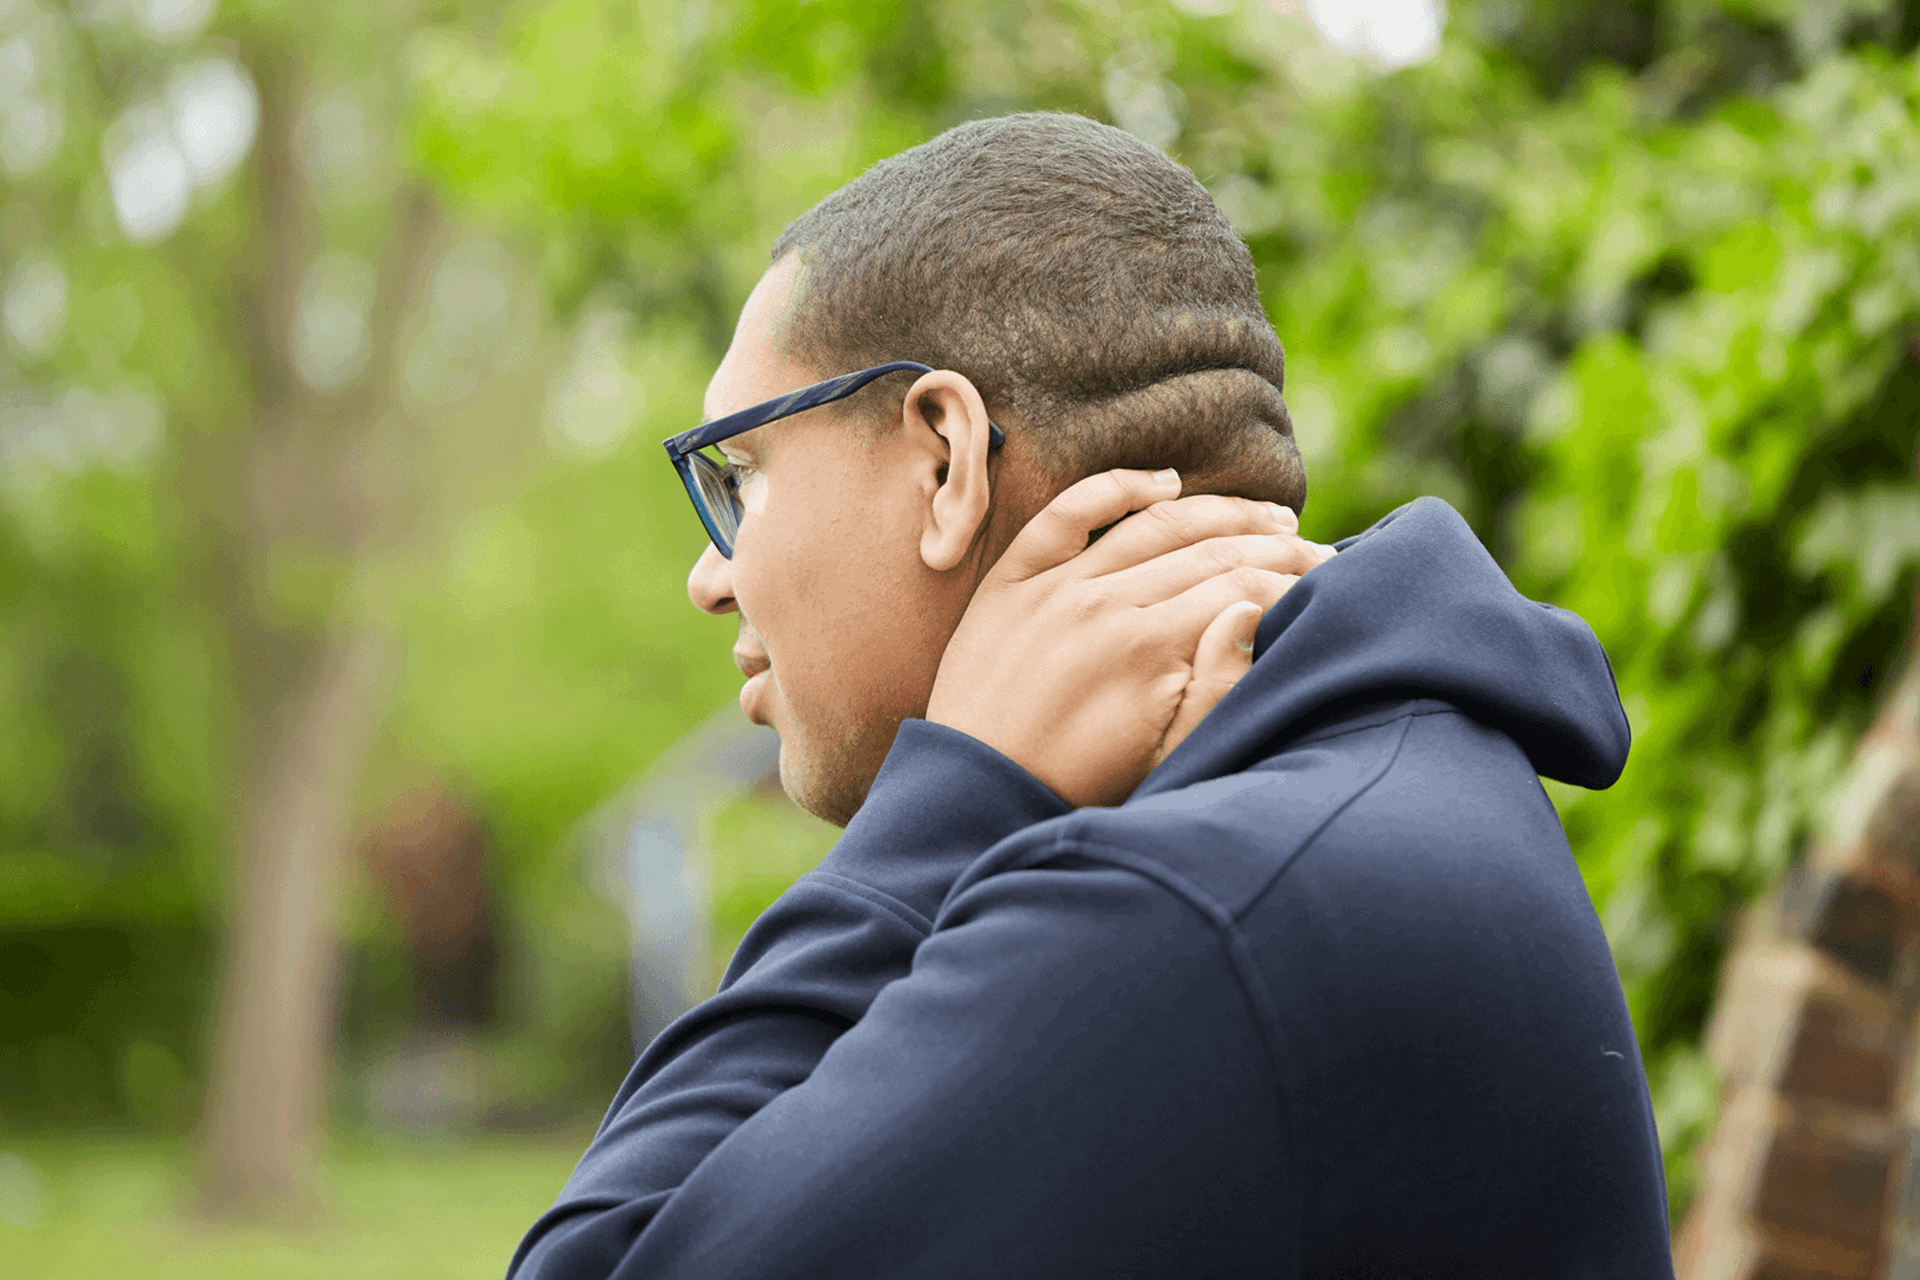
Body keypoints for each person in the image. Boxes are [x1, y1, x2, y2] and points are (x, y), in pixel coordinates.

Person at [508, 113, 1674, 1278]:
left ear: (945, 460)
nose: (712, 579)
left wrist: (947, 801)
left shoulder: (1183, 912)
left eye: (742, 476)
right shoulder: (1387, 780)